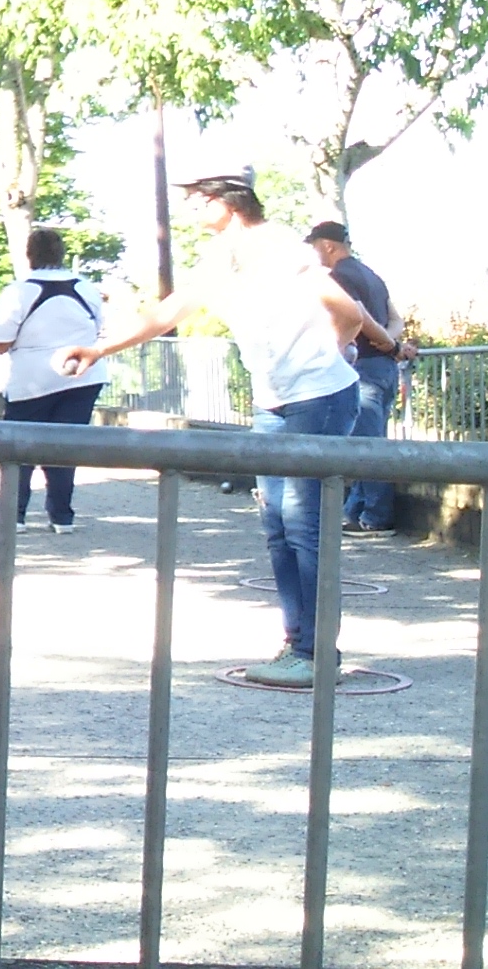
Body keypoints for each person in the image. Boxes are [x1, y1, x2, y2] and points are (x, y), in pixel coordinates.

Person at [57, 171, 413, 690]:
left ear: (227, 202)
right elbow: (164, 315)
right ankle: (297, 643)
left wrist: (335, 350)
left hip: (318, 395)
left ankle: (316, 652)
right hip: (274, 399)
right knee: (275, 522)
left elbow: (346, 310)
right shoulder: (219, 260)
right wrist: (98, 350)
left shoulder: (278, 246)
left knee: (304, 521)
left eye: (199, 199)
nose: (192, 208)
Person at [0, 229, 107, 535]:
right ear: (61, 253)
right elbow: (99, 329)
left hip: (32, 379)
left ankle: (14, 515)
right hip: (83, 375)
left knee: (18, 448)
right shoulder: (86, 287)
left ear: (29, 254)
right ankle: (62, 517)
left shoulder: (19, 291)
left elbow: (0, 344)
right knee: (66, 446)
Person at [307, 221, 409, 533]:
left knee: (367, 445)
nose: (313, 252)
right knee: (370, 437)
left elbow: (357, 315)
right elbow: (396, 320)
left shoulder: (339, 277)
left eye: (315, 245)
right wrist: (392, 347)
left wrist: (387, 345)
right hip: (385, 368)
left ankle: (377, 516)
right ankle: (356, 511)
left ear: (328, 245)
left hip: (362, 365)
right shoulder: (372, 275)